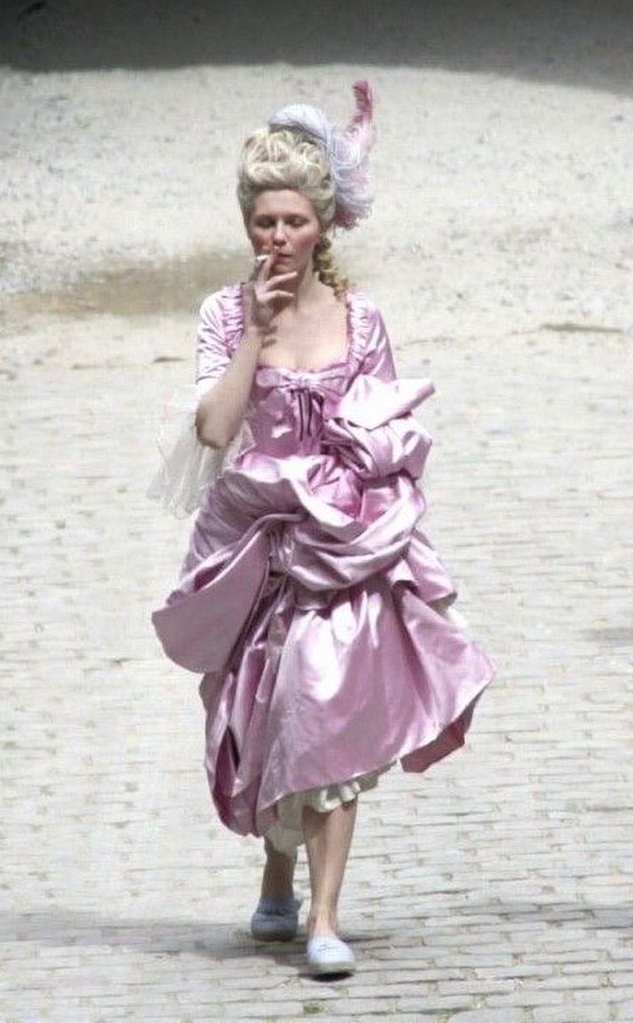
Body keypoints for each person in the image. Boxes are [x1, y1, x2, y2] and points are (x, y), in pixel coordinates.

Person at [150, 82, 495, 978]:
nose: (276, 238)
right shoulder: (224, 316)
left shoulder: (363, 319)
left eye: (293, 221)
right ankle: (277, 880)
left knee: (327, 708)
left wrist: (370, 505)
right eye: (262, 221)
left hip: (341, 545)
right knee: (267, 715)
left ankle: (326, 918)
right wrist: (255, 340)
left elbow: (389, 431)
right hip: (257, 548)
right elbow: (216, 432)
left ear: (325, 226)